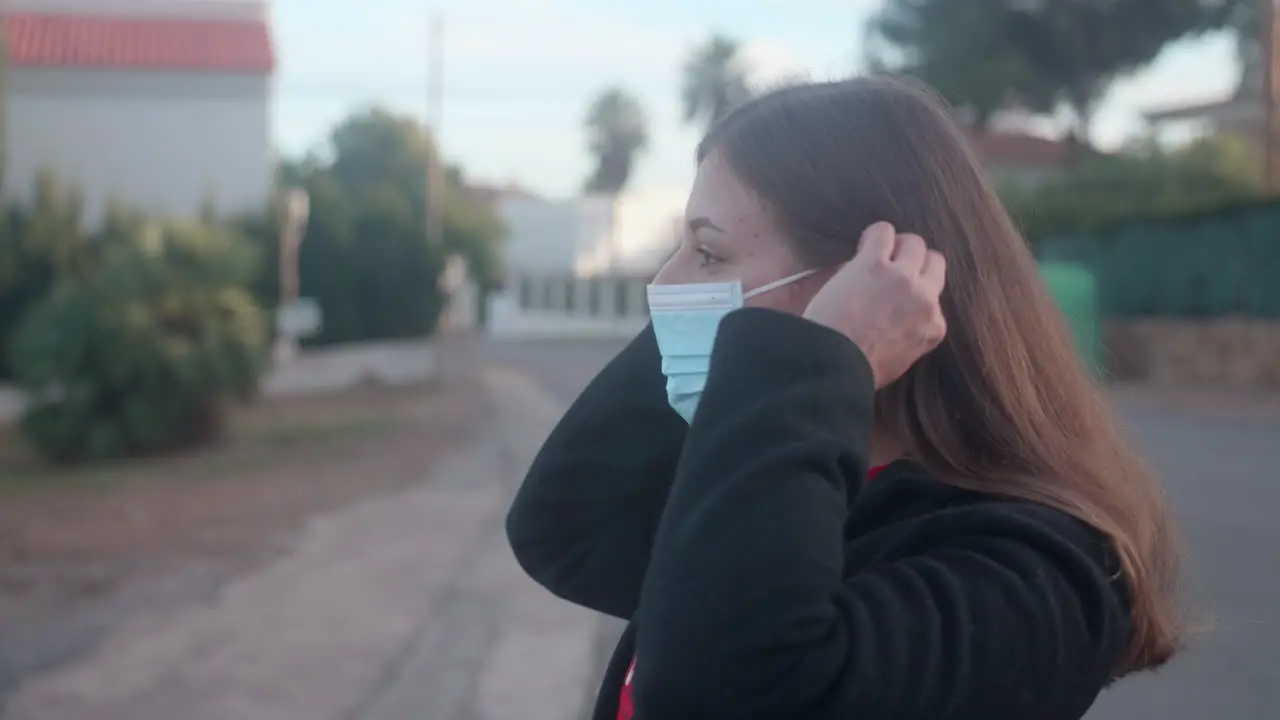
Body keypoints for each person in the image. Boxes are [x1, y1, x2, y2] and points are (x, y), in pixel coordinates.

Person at [505, 76, 1184, 720]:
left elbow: (724, 690)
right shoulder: (782, 477)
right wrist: (736, 344)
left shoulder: (1039, 574)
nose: (664, 279)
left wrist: (809, 362)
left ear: (866, 282)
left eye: (708, 254)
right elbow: (565, 527)